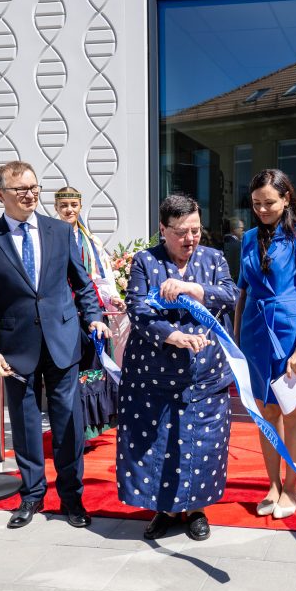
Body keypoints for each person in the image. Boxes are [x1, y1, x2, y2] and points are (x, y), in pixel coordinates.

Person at [0, 161, 111, 530]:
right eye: (20, 190)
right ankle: (31, 496)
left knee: (68, 425)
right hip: (16, 350)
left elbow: (82, 284)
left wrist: (93, 316)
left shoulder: (61, 232)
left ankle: (72, 497)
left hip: (63, 343)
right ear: (0, 195)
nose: (30, 194)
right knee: (27, 427)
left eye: (34, 187)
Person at [116, 194, 238, 541]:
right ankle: (164, 509)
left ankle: (196, 508)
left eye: (196, 231)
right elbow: (138, 310)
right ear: (163, 229)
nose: (190, 239)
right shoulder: (145, 261)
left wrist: (191, 288)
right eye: (182, 232)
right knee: (157, 443)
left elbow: (231, 295)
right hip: (153, 375)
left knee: (202, 444)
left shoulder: (213, 259)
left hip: (205, 376)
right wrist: (172, 336)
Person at [235, 169, 296, 520]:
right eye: (256, 203)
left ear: (286, 197)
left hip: (291, 332)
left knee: (293, 411)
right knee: (265, 413)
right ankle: (271, 484)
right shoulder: (248, 239)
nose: (262, 209)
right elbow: (242, 293)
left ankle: (292, 485)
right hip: (256, 334)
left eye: (269, 202)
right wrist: (238, 339)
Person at [53, 187, 128, 441]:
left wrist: (113, 298)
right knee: (71, 371)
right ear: (56, 208)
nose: (69, 210)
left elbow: (100, 277)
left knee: (93, 369)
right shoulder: (50, 239)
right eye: (64, 206)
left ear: (80, 206)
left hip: (92, 312)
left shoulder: (91, 242)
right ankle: (74, 428)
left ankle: (91, 425)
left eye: (74, 204)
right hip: (64, 313)